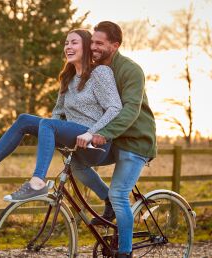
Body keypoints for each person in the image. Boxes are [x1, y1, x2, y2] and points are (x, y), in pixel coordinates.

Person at [0, 29, 123, 202]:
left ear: (86, 47)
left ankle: (38, 182)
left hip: (96, 142)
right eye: (66, 43)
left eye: (74, 42)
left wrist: (90, 132)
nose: (68, 47)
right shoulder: (68, 77)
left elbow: (115, 108)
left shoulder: (100, 72)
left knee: (48, 124)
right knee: (25, 119)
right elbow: (57, 111)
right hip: (74, 139)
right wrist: (54, 135)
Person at [70, 21, 157, 258]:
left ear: (115, 46)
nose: (93, 47)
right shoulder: (94, 69)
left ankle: (125, 253)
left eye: (99, 43)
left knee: (120, 194)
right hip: (111, 140)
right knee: (76, 163)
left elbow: (130, 110)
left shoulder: (131, 70)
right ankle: (106, 198)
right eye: (92, 42)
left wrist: (103, 133)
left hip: (135, 141)